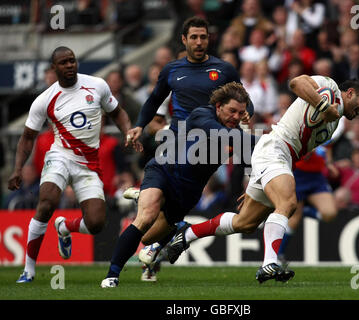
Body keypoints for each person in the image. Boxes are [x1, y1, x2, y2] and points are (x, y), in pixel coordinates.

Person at [165, 75, 359, 283]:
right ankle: (269, 263)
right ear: (351, 93)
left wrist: (264, 177)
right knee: (288, 203)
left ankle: (186, 234)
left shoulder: (334, 123)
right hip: (275, 149)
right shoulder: (330, 87)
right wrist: (324, 106)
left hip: (278, 158)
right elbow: (296, 83)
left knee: (245, 223)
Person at [100, 82, 257, 288]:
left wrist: (252, 186)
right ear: (218, 106)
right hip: (165, 170)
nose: (236, 117)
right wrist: (267, 141)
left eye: (241, 113)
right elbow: (230, 137)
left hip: (188, 191)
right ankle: (112, 276)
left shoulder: (235, 132)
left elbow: (248, 160)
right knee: (146, 217)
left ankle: (176, 225)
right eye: (232, 111)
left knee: (147, 239)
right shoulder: (202, 115)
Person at [8, 46, 133, 283]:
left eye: (72, 61)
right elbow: (27, 137)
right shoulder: (45, 99)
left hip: (88, 164)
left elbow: (117, 113)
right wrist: (17, 169)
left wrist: (127, 132)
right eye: (63, 62)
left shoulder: (97, 85)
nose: (69, 65)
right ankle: (29, 270)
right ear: (54, 68)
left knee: (96, 223)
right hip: (61, 157)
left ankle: (65, 226)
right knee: (47, 202)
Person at [127, 16, 254, 152]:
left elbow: (245, 101)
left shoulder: (225, 69)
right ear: (184, 39)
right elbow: (154, 100)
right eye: (194, 37)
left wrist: (247, 112)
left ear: (208, 39)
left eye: (203, 37)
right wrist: (140, 125)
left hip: (214, 141)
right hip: (181, 139)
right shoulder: (171, 70)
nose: (199, 42)